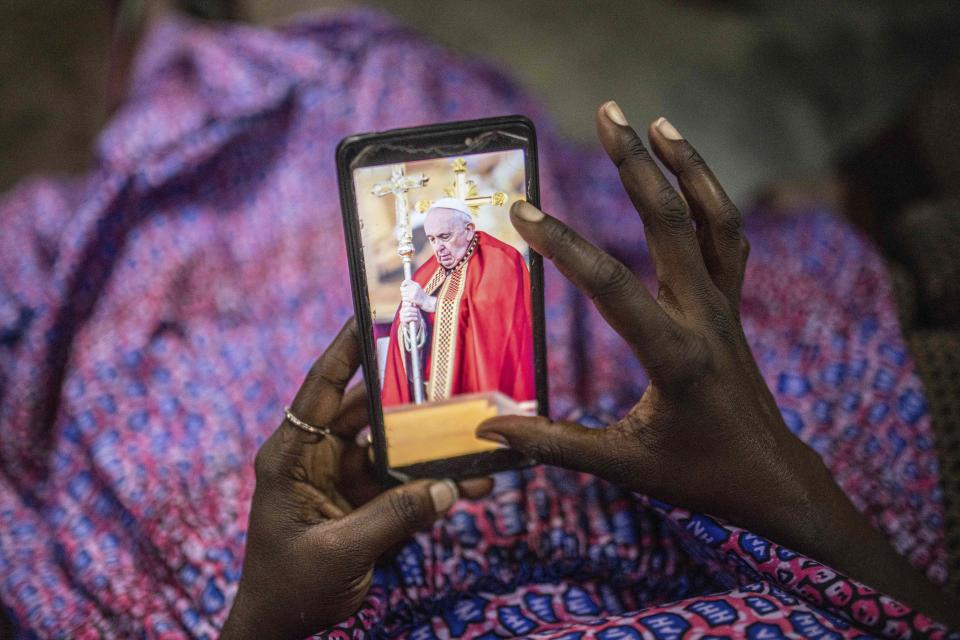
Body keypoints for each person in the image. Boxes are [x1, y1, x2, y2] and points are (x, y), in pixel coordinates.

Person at [222, 104, 960, 639]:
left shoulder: (497, 259)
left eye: (451, 237)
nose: (443, 250)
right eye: (435, 239)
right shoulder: (434, 266)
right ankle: (859, 200)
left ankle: (861, 202)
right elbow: (420, 326)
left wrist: (256, 627)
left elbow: (491, 319)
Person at [380, 198, 535, 405]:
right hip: (435, 394)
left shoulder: (501, 259)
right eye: (432, 239)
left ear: (469, 230)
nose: (438, 248)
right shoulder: (426, 273)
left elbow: (496, 320)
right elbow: (410, 341)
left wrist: (431, 304)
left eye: (445, 237)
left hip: (485, 386)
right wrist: (414, 328)